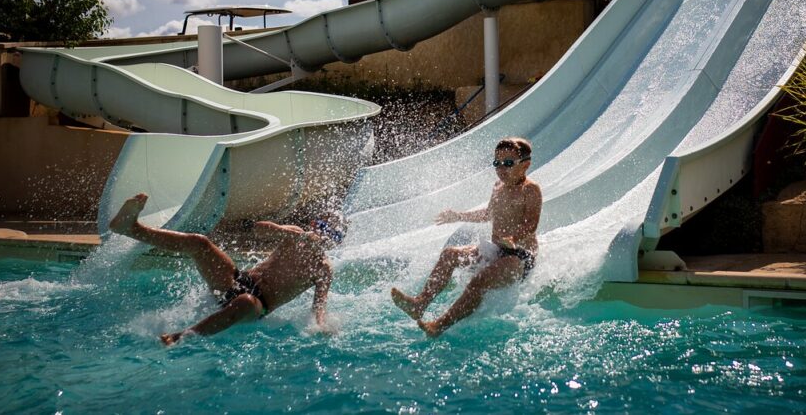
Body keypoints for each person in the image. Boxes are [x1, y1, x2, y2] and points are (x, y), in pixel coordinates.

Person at [108, 193, 343, 345]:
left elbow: (318, 309)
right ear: (313, 224)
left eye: (329, 233)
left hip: (257, 306)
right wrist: (282, 231)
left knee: (247, 301)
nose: (320, 234)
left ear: (334, 242)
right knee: (199, 243)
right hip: (236, 281)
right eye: (320, 226)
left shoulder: (322, 269)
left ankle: (183, 336)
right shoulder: (293, 235)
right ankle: (131, 228)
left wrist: (321, 327)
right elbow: (258, 229)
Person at [391, 137, 542, 337]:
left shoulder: (530, 190)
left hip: (519, 255)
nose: (501, 168)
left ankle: (438, 326)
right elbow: (488, 214)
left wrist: (513, 238)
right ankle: (419, 304)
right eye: (497, 163)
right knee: (449, 254)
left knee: (478, 282)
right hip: (497, 249)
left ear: (525, 165)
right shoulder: (498, 186)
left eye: (508, 163)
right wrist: (458, 215)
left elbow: (531, 225)